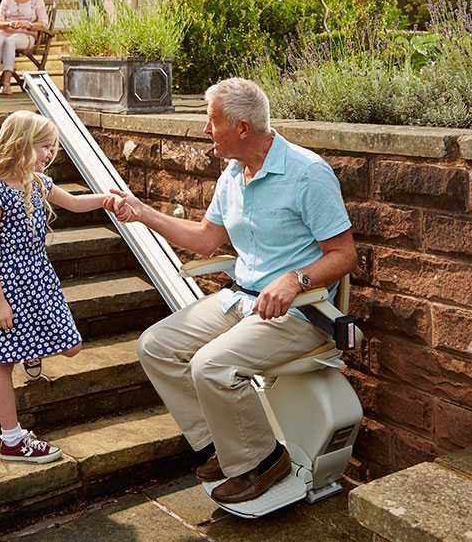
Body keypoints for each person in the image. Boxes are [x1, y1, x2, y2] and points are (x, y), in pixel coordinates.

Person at [104, 78, 357, 503]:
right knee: (156, 346)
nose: (206, 129)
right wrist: (144, 213)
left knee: (211, 366)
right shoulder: (234, 173)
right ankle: (221, 447)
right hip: (241, 299)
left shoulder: (307, 173)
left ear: (241, 127)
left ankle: (262, 461)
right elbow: (205, 238)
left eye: (212, 120)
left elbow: (345, 255)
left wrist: (296, 280)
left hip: (300, 313)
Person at [0, 110, 129, 463]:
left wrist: (105, 199)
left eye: (52, 147)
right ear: (21, 145)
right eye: (43, 146)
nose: (50, 153)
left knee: (71, 346)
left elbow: (73, 203)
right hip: (8, 285)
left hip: (39, 279)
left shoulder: (38, 183)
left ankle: (31, 349)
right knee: (2, 361)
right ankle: (12, 439)